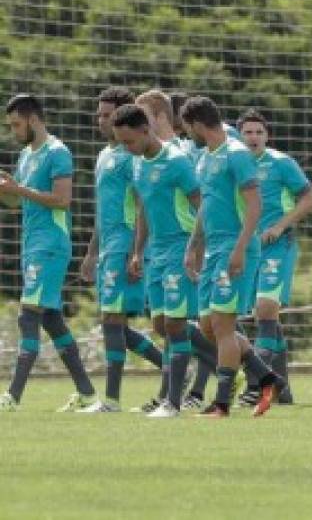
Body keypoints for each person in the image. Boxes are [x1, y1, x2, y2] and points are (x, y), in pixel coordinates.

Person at [181, 96, 280, 418]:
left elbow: (255, 205)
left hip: (235, 247)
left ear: (197, 124)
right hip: (213, 249)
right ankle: (266, 377)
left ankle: (221, 403)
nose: (188, 135)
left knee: (223, 325)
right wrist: (194, 245)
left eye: (187, 128)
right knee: (208, 325)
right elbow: (206, 206)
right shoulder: (205, 157)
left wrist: (239, 249)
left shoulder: (237, 155)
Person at [115, 103, 215, 418]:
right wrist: (137, 251)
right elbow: (144, 207)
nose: (126, 148)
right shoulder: (137, 164)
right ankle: (225, 360)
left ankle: (172, 403)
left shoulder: (177, 162)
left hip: (179, 245)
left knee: (174, 323)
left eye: (129, 141)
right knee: (160, 323)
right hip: (155, 251)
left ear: (147, 130)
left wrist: (195, 248)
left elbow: (203, 205)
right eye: (121, 142)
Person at [0, 94, 97, 412]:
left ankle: (12, 396)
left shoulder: (58, 152)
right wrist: (9, 191)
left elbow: (62, 200)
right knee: (52, 320)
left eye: (16, 124)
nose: (13, 131)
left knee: (28, 315)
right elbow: (20, 202)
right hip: (32, 245)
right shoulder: (26, 155)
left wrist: (20, 190)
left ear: (33, 119)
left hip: (51, 244)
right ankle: (87, 393)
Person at [78, 88, 164, 412]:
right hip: (106, 247)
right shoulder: (104, 156)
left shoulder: (133, 158)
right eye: (99, 114)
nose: (101, 120)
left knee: (112, 320)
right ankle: (173, 368)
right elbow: (103, 210)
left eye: (108, 114)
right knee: (114, 325)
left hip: (125, 243)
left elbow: (143, 203)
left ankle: (111, 401)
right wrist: (90, 251)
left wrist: (136, 251)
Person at [235, 109, 312, 407]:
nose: (254, 137)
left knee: (265, 308)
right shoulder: (234, 164)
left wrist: (280, 225)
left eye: (259, 132)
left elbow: (309, 198)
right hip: (247, 249)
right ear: (239, 135)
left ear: (267, 136)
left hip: (277, 247)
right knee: (261, 316)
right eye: (248, 132)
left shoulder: (281, 163)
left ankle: (257, 385)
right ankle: (282, 388)